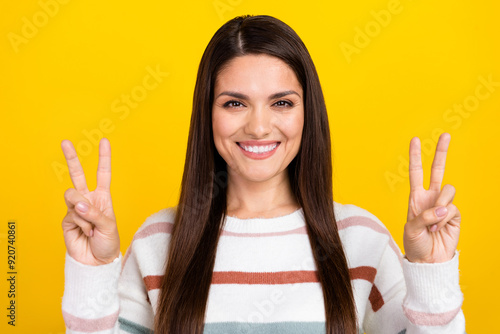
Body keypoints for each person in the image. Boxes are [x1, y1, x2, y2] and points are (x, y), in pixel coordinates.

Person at [60, 14, 465, 334]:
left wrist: (432, 270)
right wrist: (91, 271)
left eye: (282, 103)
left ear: (309, 113)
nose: (257, 127)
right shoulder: (159, 242)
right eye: (235, 103)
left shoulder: (361, 239)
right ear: (208, 114)